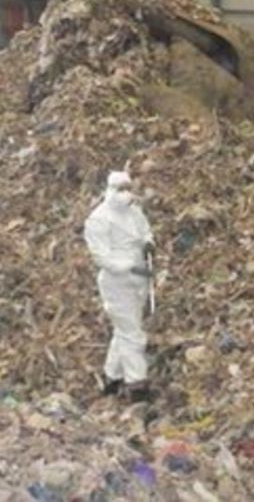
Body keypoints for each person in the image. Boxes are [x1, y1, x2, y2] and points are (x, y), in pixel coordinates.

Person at [84, 171, 155, 402]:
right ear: (109, 190)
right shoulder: (99, 219)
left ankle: (111, 377)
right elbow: (101, 257)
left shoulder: (134, 211)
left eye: (128, 188)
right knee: (133, 333)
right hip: (116, 282)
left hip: (140, 277)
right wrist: (130, 267)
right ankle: (137, 383)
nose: (126, 194)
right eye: (120, 189)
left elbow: (145, 231)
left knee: (124, 329)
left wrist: (148, 243)